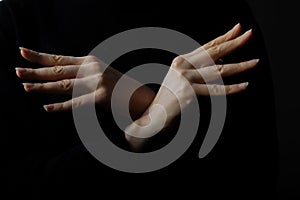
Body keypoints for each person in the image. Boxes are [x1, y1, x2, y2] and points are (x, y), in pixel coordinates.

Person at [2, 0, 278, 199]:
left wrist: (145, 105)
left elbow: (253, 171)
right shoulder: (18, 16)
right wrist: (148, 122)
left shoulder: (223, 12)